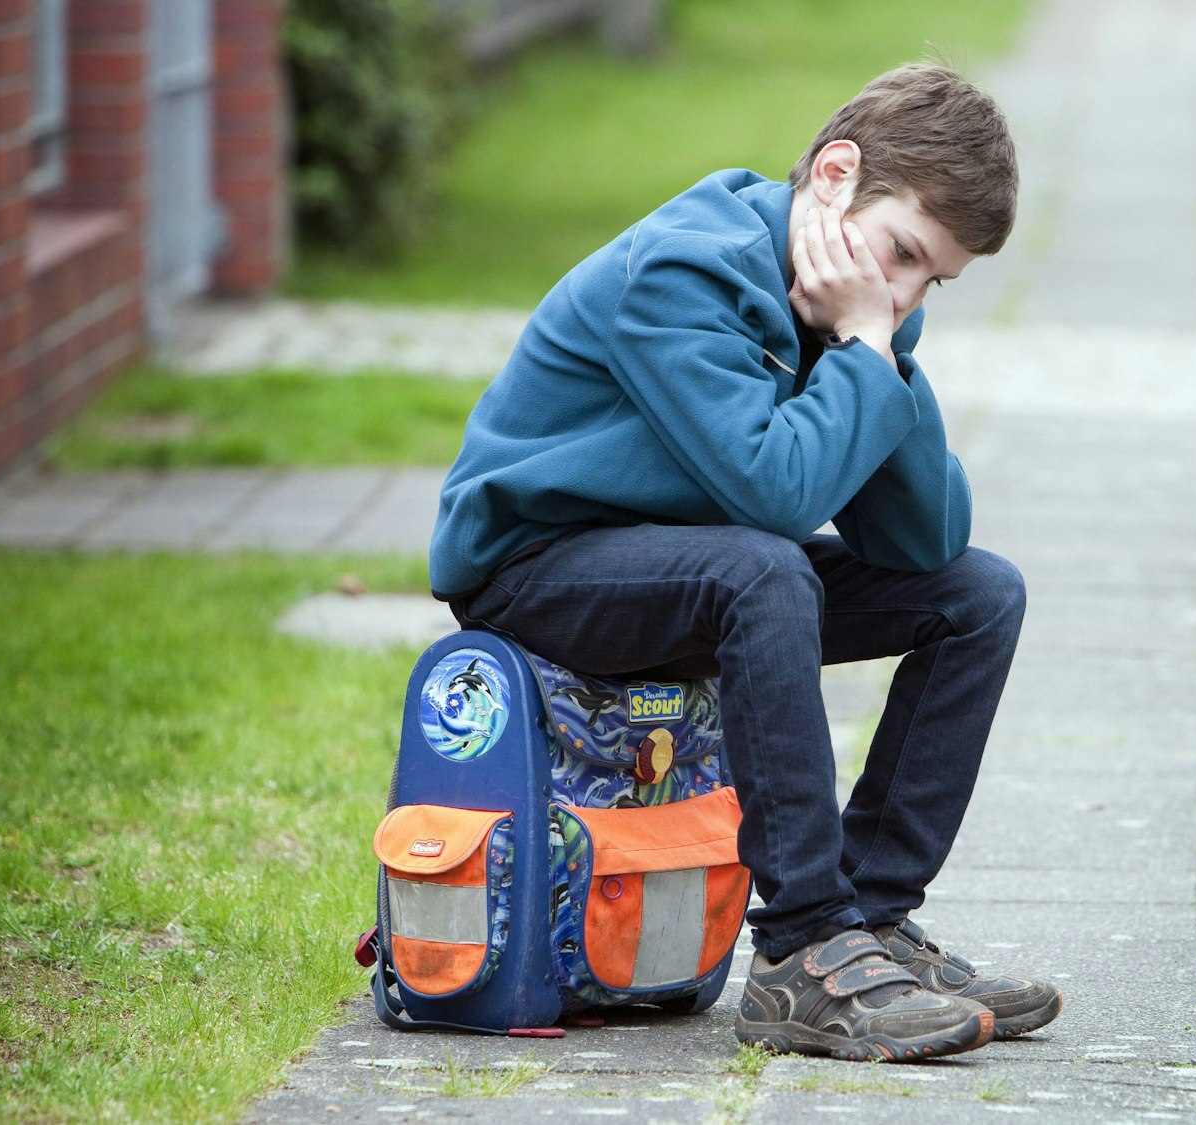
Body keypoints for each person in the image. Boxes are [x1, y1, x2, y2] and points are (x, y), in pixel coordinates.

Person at [429, 62, 1059, 1061]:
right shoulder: (686, 268)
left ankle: (873, 923)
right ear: (833, 174)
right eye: (900, 253)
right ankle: (804, 950)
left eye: (928, 279)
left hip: (691, 564)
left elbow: (922, 542)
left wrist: (878, 349)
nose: (900, 290)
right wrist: (862, 352)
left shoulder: (862, 310)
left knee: (977, 594)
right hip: (538, 565)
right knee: (765, 568)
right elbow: (770, 492)